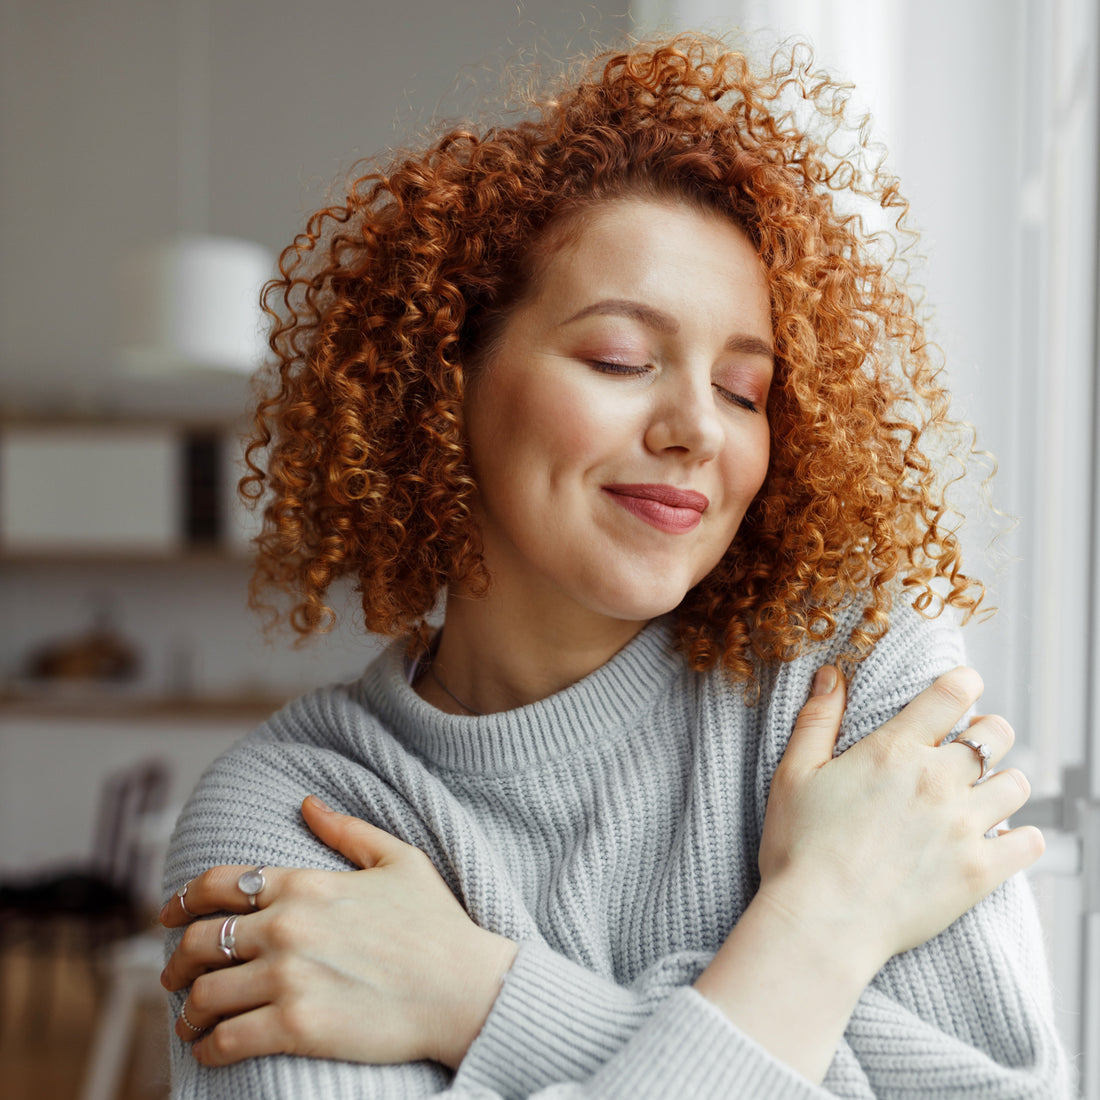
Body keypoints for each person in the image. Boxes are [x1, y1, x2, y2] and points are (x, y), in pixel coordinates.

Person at [158, 33, 1072, 1098]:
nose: (695, 426)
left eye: (742, 389)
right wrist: (828, 918)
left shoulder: (840, 675)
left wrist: (481, 994)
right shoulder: (293, 819)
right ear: (441, 383)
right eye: (618, 361)